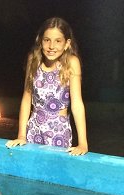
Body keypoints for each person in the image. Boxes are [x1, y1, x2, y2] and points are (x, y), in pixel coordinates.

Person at [6, 17, 88, 155]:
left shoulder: (72, 62)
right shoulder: (33, 59)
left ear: (67, 43)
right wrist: (21, 135)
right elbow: (26, 99)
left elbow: (77, 103)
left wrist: (83, 143)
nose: (51, 46)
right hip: (33, 129)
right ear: (40, 40)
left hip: (59, 132)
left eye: (58, 41)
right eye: (47, 40)